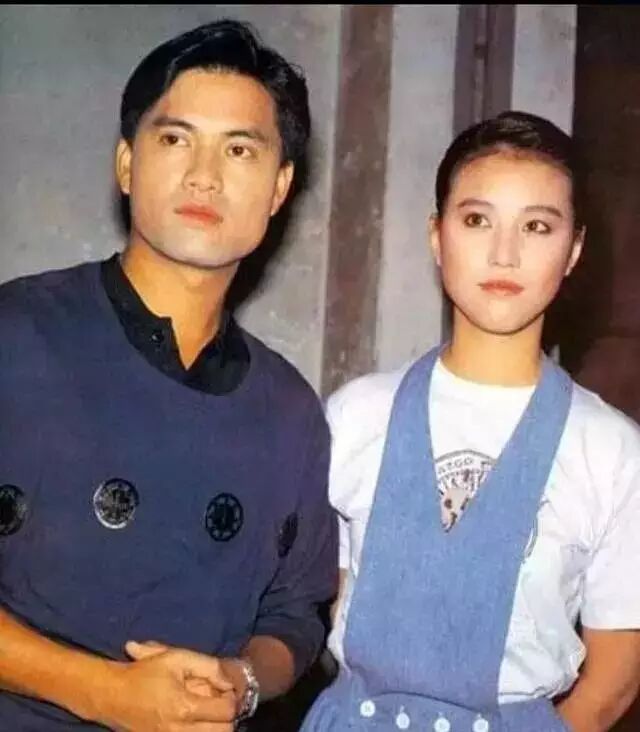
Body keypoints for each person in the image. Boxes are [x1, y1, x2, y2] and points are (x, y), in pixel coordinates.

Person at [0, 18, 337, 731]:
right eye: (176, 139)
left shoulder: (290, 411)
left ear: (279, 188)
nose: (204, 175)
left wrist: (242, 682)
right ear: (127, 164)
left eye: (239, 149)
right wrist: (101, 690)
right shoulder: (18, 333)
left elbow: (295, 614)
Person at [301, 111, 640, 731]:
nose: (504, 254)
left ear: (574, 251)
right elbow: (325, 599)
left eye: (537, 226)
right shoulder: (356, 414)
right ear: (437, 236)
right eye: (477, 220)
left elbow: (613, 682)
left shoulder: (612, 450)